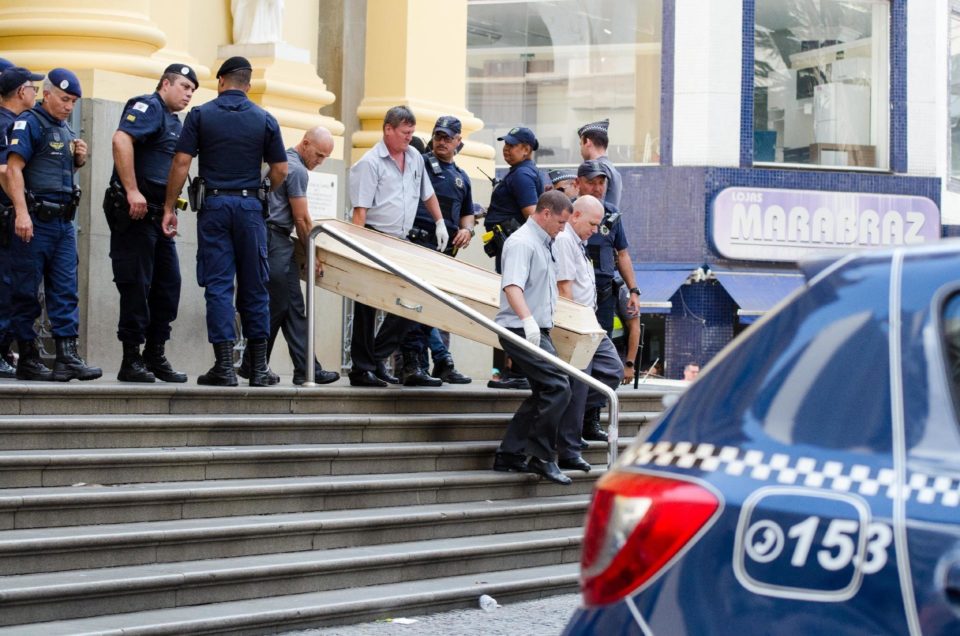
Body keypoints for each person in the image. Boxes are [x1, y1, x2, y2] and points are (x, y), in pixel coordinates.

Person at [163, 55, 288, 387]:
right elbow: (281, 170)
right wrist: (263, 190)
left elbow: (180, 162)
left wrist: (169, 207)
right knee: (255, 286)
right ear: (247, 85)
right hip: (250, 209)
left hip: (215, 206)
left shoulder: (201, 115)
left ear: (221, 82)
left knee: (218, 285)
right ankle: (259, 369)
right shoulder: (265, 119)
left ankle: (224, 367)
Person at [5, 68, 101, 381]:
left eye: (73, 101)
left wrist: (78, 161)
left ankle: (67, 357)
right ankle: (29, 357)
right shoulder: (29, 123)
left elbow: (53, 174)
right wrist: (21, 212)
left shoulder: (64, 130)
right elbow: (13, 171)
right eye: (64, 99)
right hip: (34, 221)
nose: (68, 106)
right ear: (46, 94)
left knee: (65, 290)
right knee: (26, 291)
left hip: (62, 223)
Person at [107, 64, 198, 383]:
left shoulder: (174, 121)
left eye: (192, 90)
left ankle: (154, 354)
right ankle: (130, 359)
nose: (188, 94)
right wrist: (132, 190)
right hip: (135, 215)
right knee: (136, 285)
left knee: (168, 286)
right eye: (184, 86)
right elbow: (121, 140)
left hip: (159, 216)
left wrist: (170, 209)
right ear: (165, 84)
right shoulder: (148, 106)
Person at [347, 105, 448, 387]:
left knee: (411, 299)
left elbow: (427, 193)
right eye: (405, 133)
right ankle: (362, 369)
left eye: (412, 133)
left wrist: (439, 221)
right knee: (366, 306)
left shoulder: (414, 156)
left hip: (401, 241)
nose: (409, 138)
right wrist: (358, 251)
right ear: (388, 129)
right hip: (374, 236)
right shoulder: (370, 163)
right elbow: (360, 211)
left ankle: (376, 356)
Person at [239, 126, 340, 385]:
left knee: (294, 308)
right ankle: (252, 364)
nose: (320, 161)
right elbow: (302, 218)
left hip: (274, 239)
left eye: (325, 157)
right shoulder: (296, 170)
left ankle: (307, 369)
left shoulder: (281, 161)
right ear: (305, 143)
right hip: (276, 239)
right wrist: (313, 253)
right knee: (276, 306)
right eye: (318, 155)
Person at [492, 190, 574, 486]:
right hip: (519, 328)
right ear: (546, 213)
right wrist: (527, 320)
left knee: (547, 389)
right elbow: (512, 286)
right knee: (558, 387)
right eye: (561, 222)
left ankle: (510, 454)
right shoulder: (521, 242)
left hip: (537, 328)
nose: (563, 228)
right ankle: (541, 457)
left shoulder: (544, 242)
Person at [399, 115, 474, 385]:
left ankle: (429, 364)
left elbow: (467, 214)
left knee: (432, 309)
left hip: (442, 252)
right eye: (438, 136)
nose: (441, 141)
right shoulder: (420, 164)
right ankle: (411, 365)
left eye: (447, 137)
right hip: (417, 243)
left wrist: (468, 230)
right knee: (413, 307)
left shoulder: (461, 178)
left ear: (458, 142)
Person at [553, 195, 624, 472]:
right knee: (579, 383)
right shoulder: (564, 241)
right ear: (575, 215)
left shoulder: (580, 242)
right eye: (592, 223)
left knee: (611, 371)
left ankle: (570, 413)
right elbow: (564, 288)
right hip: (577, 320)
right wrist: (574, 324)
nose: (595, 230)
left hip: (590, 320)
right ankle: (567, 450)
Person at [575, 159, 640, 441]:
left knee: (603, 361)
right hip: (574, 297)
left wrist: (634, 290)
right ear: (578, 183)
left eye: (602, 182)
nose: (598, 187)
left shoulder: (612, 214)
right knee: (579, 360)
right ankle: (572, 418)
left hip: (603, 295)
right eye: (592, 181)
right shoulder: (570, 212)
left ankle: (590, 417)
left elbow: (622, 253)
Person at [483, 126, 543, 390]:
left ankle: (518, 371)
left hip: (515, 250)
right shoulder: (523, 173)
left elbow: (533, 215)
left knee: (513, 308)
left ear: (527, 149)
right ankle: (517, 369)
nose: (506, 148)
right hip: (513, 247)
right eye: (505, 144)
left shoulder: (521, 176)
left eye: (512, 144)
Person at [0, 65, 44, 379]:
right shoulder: (8, 124)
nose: (36, 92)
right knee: (6, 285)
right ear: (20, 92)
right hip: (6, 216)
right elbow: (5, 171)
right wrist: (20, 206)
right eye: (33, 87)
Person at [577, 118, 622, 208]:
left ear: (588, 142)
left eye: (581, 144)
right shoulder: (610, 167)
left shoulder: (600, 168)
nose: (581, 150)